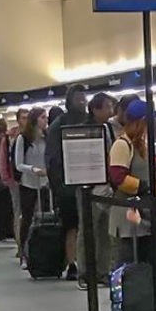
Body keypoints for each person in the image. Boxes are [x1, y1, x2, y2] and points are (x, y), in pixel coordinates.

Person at [45, 85, 88, 280]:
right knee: (71, 226)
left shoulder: (89, 121)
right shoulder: (59, 125)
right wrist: (59, 187)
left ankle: (85, 263)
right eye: (79, 98)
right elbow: (52, 159)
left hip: (88, 181)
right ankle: (72, 263)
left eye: (84, 98)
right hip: (67, 186)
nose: (82, 101)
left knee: (86, 226)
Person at [108, 99, 156, 264]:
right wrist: (146, 186)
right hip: (126, 217)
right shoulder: (122, 145)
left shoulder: (140, 145)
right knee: (127, 264)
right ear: (140, 122)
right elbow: (118, 178)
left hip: (141, 214)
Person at [76, 93, 116, 290]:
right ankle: (84, 273)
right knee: (87, 231)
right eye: (107, 106)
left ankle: (102, 271)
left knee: (105, 230)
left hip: (106, 184)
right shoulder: (84, 129)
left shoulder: (108, 128)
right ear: (96, 109)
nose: (111, 110)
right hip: (88, 186)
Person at [15, 108, 49, 269]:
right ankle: (23, 254)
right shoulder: (23, 139)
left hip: (45, 184)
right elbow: (18, 164)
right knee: (27, 219)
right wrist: (33, 169)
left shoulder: (46, 138)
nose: (46, 120)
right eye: (43, 117)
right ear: (35, 119)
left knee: (46, 217)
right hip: (28, 183)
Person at [1, 109, 28, 260]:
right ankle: (20, 245)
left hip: (32, 180)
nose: (26, 120)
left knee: (31, 213)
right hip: (15, 181)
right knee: (19, 213)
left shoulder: (35, 136)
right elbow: (3, 160)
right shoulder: (10, 137)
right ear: (18, 120)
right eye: (23, 118)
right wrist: (7, 179)